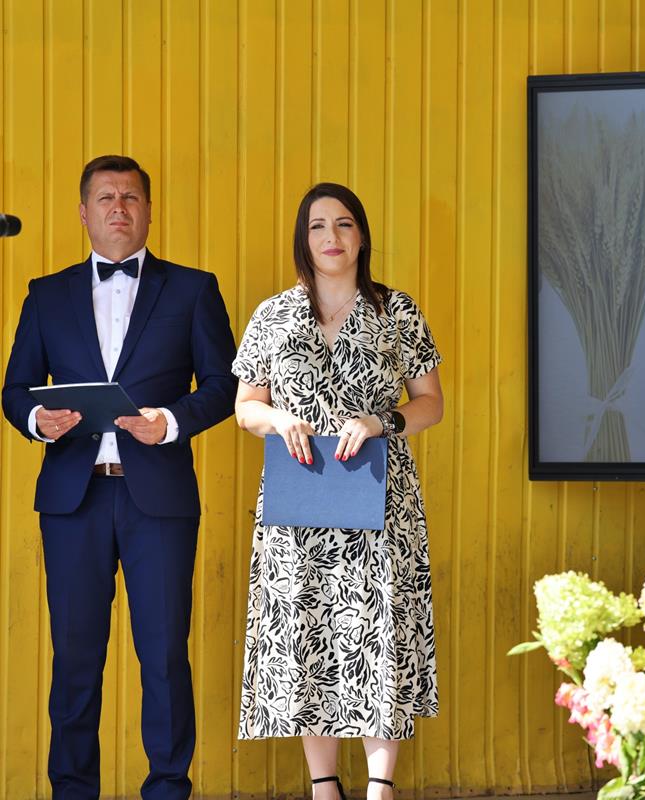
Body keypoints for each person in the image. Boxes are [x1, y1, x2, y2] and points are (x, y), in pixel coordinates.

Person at [1, 155, 237, 799]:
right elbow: (15, 389)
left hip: (158, 499)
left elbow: (224, 385)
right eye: (105, 197)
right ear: (84, 213)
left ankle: (167, 788)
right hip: (71, 500)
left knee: (163, 655)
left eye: (131, 197)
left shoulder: (193, 289)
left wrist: (171, 420)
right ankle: (72, 790)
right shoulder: (46, 294)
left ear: (149, 211)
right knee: (76, 658)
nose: (118, 208)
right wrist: (38, 420)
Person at [232, 182, 443, 800]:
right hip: (299, 497)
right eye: (318, 226)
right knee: (308, 635)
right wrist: (279, 420)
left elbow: (431, 402)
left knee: (382, 634)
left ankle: (380, 787)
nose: (331, 237)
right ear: (303, 239)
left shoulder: (397, 310)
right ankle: (324, 787)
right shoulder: (273, 314)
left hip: (379, 496)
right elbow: (245, 407)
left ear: (362, 236)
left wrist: (382, 421)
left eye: (344, 224)